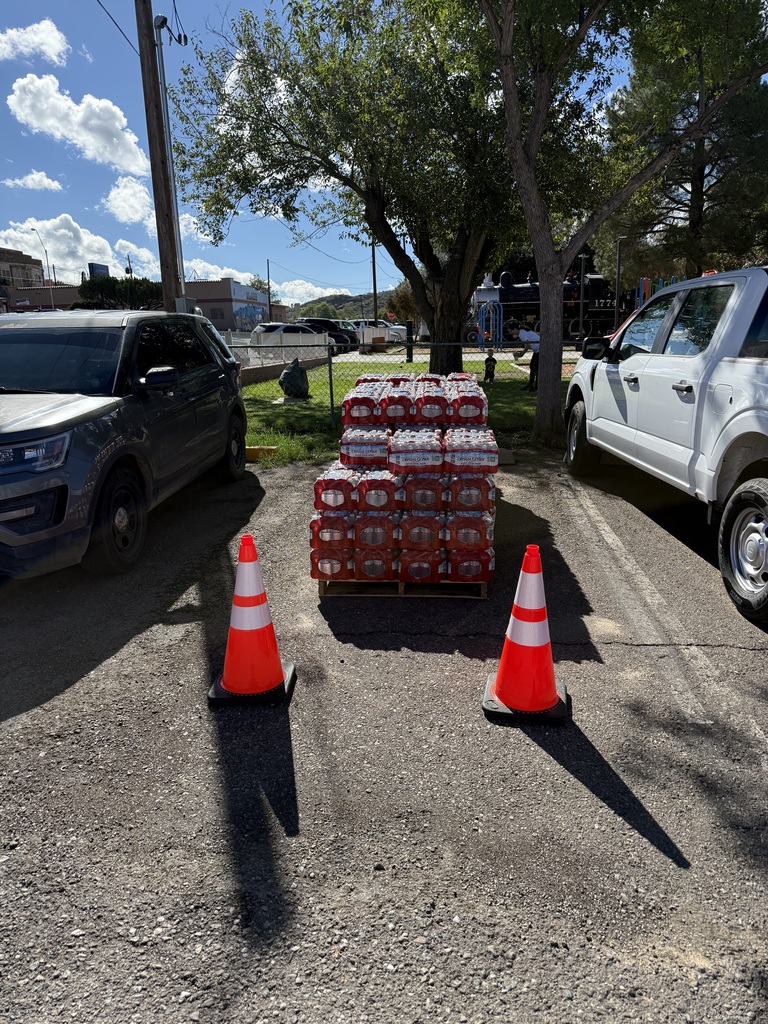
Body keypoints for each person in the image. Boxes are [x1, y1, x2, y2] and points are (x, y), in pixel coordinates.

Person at [507, 323, 540, 390]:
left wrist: (522, 354)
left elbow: (527, 346)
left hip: (540, 349)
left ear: (515, 329)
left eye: (511, 331)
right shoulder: (522, 332)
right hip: (537, 350)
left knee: (534, 367)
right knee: (533, 366)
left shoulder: (522, 334)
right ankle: (532, 385)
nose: (511, 333)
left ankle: (535, 385)